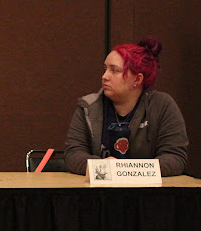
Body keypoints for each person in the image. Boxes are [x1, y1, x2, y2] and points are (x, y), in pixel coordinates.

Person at [64, 37, 188, 176]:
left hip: (148, 193)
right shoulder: (88, 106)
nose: (104, 76)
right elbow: (73, 155)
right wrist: (103, 167)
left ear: (137, 79)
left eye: (114, 70)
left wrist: (127, 171)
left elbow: (175, 158)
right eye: (105, 69)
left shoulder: (162, 105)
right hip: (98, 193)